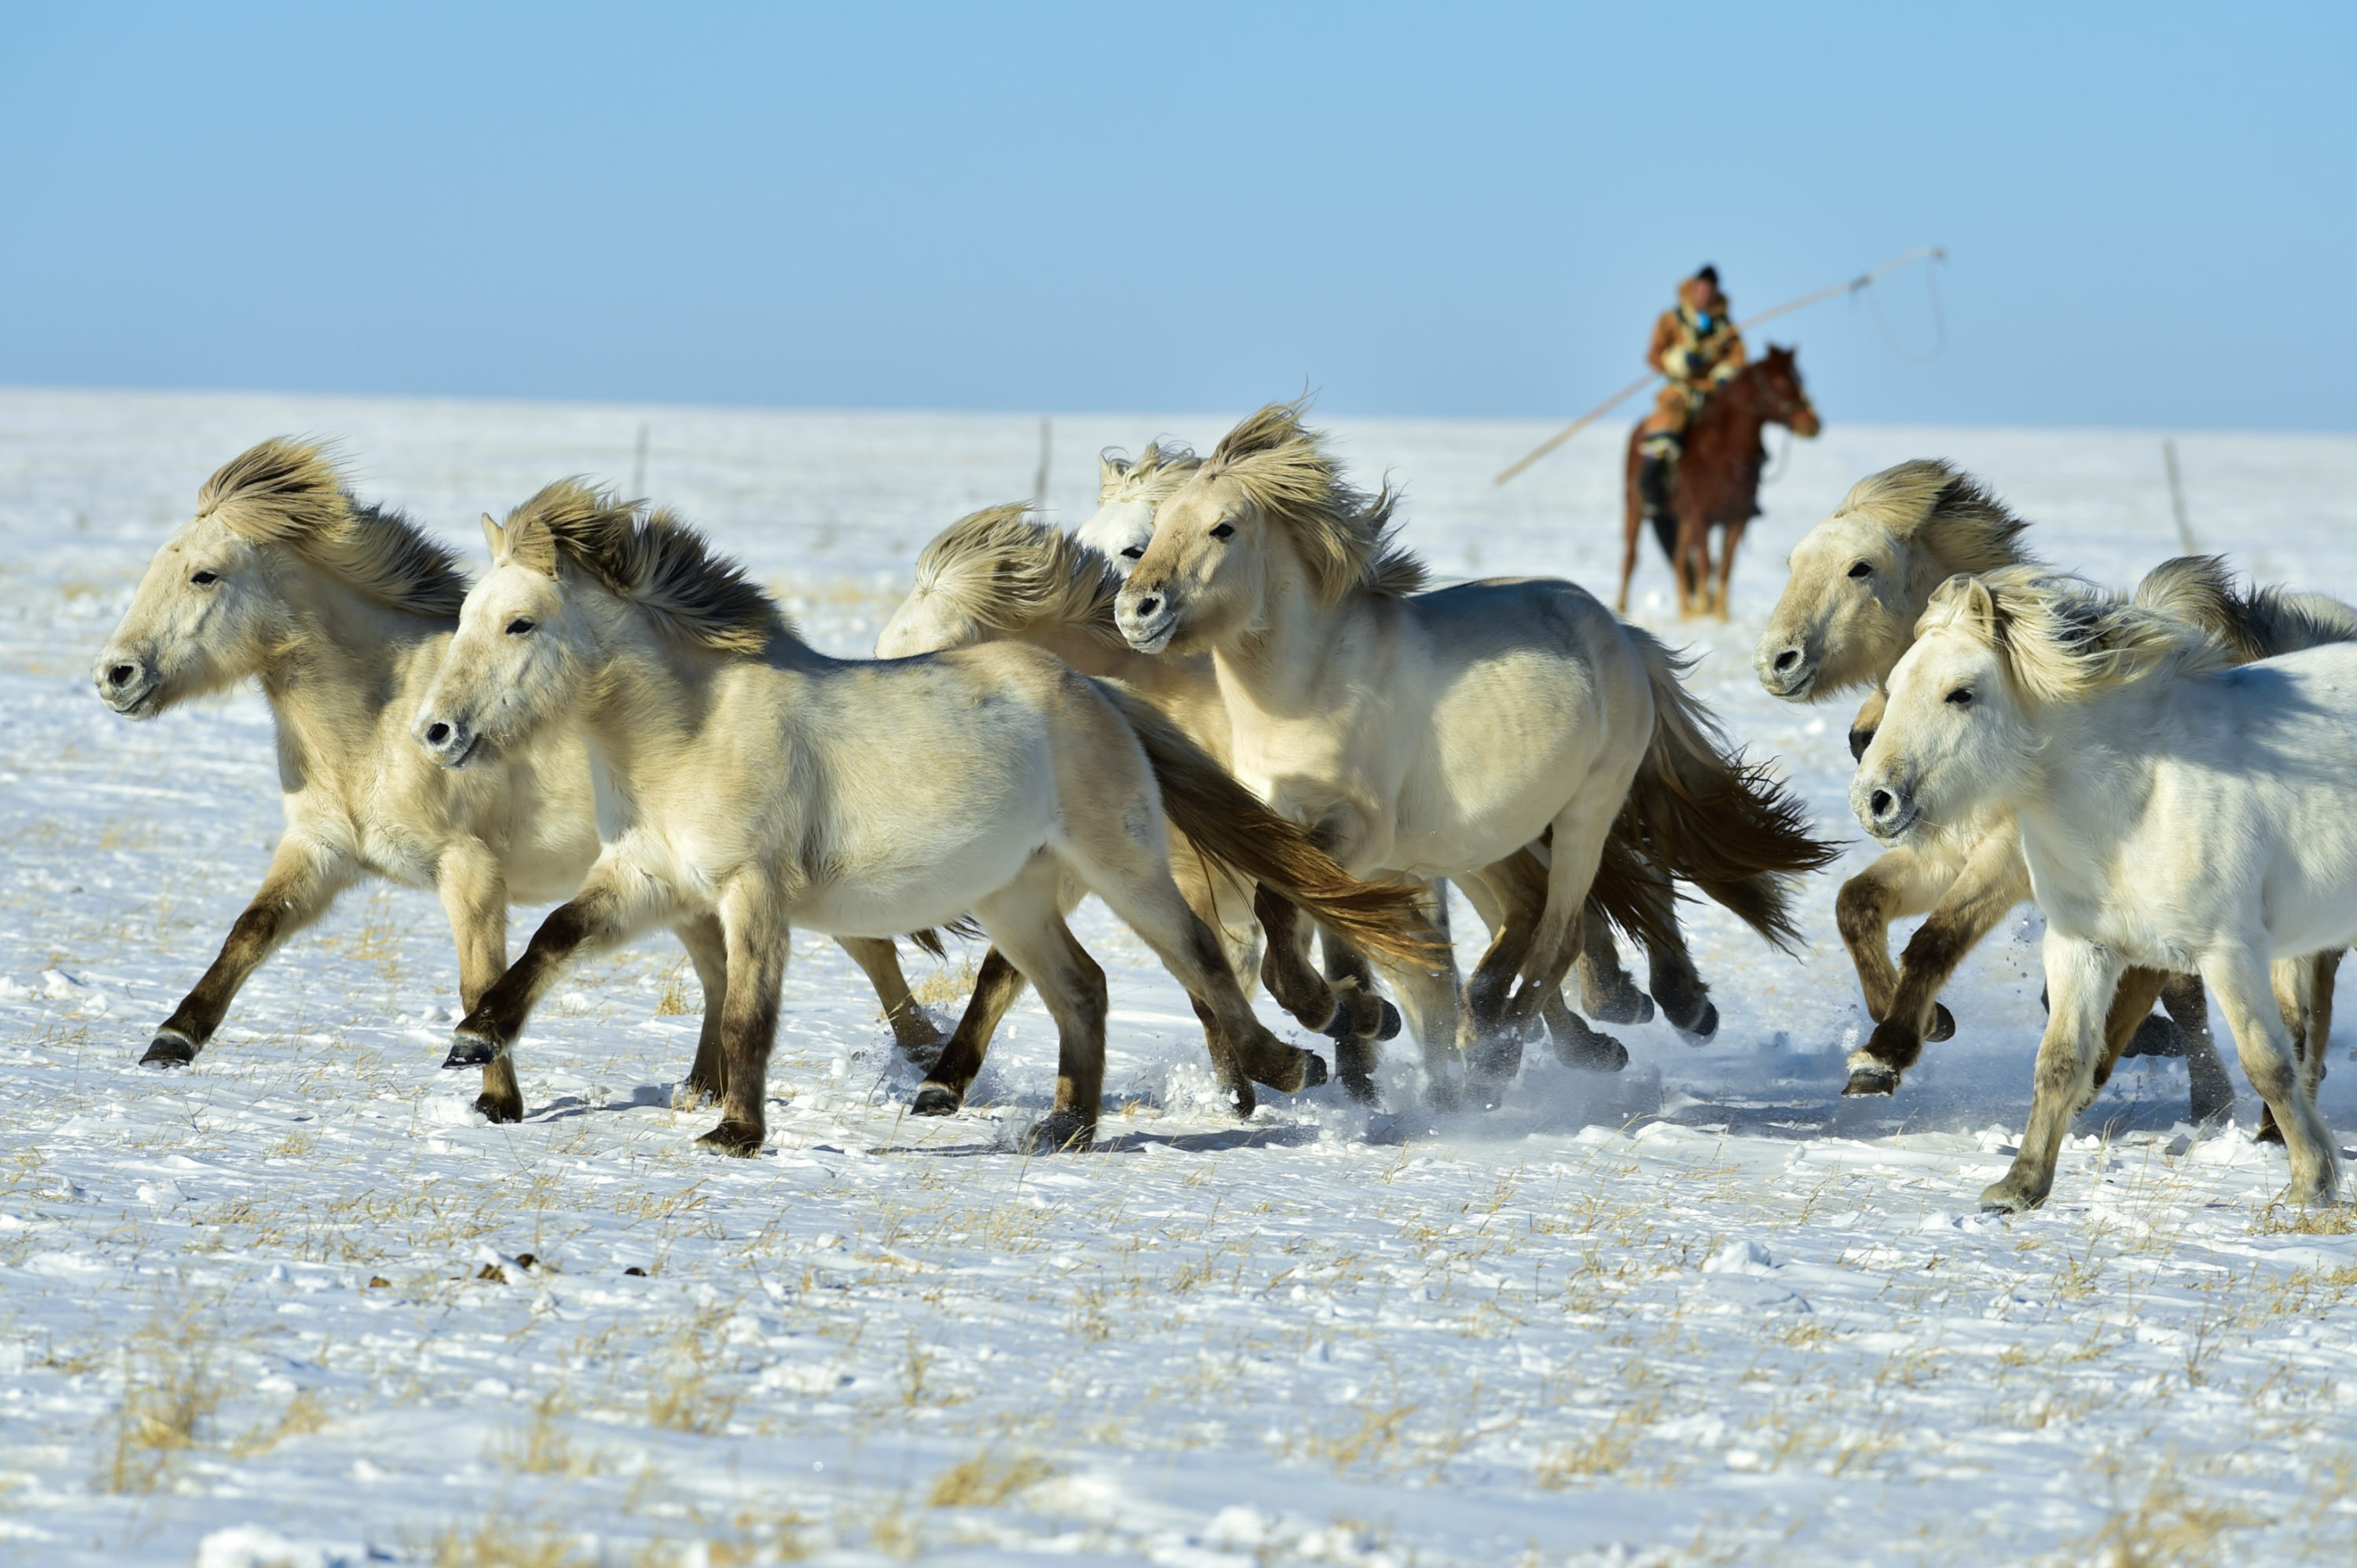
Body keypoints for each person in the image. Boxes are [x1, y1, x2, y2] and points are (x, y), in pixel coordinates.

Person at [1637, 265, 1747, 534]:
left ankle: (1742, 493)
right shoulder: (1672, 319)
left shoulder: (1724, 325)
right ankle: (1650, 480)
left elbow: (1737, 357)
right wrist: (1679, 361)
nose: (1704, 295)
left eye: (1710, 291)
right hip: (1681, 389)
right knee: (1666, 424)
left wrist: (1724, 374)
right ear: (1692, 289)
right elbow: (1654, 354)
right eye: (1700, 289)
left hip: (1712, 393)